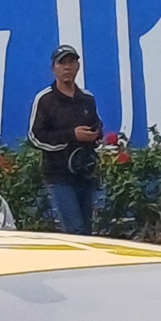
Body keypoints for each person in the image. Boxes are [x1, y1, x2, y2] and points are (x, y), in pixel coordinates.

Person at [30, 43, 112, 234]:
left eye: (71, 62)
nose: (67, 67)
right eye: (62, 63)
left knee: (87, 231)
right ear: (54, 68)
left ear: (78, 66)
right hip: (58, 176)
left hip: (85, 174)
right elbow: (35, 136)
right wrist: (71, 135)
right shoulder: (45, 99)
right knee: (74, 229)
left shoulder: (87, 98)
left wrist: (95, 134)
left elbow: (96, 126)